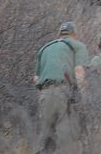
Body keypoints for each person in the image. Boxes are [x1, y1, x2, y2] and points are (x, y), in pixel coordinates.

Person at [33, 21, 89, 154]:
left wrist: (44, 96)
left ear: (59, 35)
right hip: (65, 92)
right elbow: (79, 71)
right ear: (74, 35)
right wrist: (84, 98)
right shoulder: (78, 46)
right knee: (69, 141)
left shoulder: (44, 48)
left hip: (45, 95)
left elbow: (36, 79)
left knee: (46, 142)